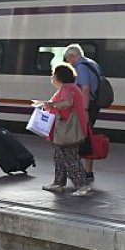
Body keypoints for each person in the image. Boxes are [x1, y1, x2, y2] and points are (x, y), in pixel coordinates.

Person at [38, 63, 91, 196]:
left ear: (59, 77)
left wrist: (51, 104)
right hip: (64, 129)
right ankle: (58, 183)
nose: (52, 78)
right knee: (59, 156)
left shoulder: (67, 89)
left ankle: (82, 186)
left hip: (68, 130)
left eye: (53, 75)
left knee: (70, 157)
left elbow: (67, 103)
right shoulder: (70, 88)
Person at [64, 43, 103, 181]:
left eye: (68, 58)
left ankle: (81, 171)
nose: (68, 62)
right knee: (87, 137)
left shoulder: (81, 67)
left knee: (80, 137)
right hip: (94, 104)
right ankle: (87, 170)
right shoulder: (92, 63)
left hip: (87, 106)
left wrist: (84, 110)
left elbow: (84, 89)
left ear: (73, 56)